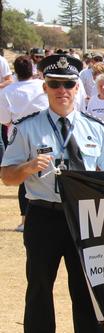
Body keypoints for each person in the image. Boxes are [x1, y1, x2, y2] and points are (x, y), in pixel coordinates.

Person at [1, 54, 104, 333]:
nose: (62, 90)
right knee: (40, 291)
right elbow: (7, 177)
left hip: (85, 219)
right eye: (55, 84)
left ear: (77, 88)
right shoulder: (28, 128)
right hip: (44, 217)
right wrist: (27, 167)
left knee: (87, 294)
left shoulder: (94, 129)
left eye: (68, 84)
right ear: (46, 87)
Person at [0, 56, 47, 232]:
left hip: (17, 137)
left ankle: (25, 219)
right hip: (44, 134)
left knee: (23, 177)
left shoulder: (7, 91)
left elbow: (4, 119)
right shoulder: (42, 85)